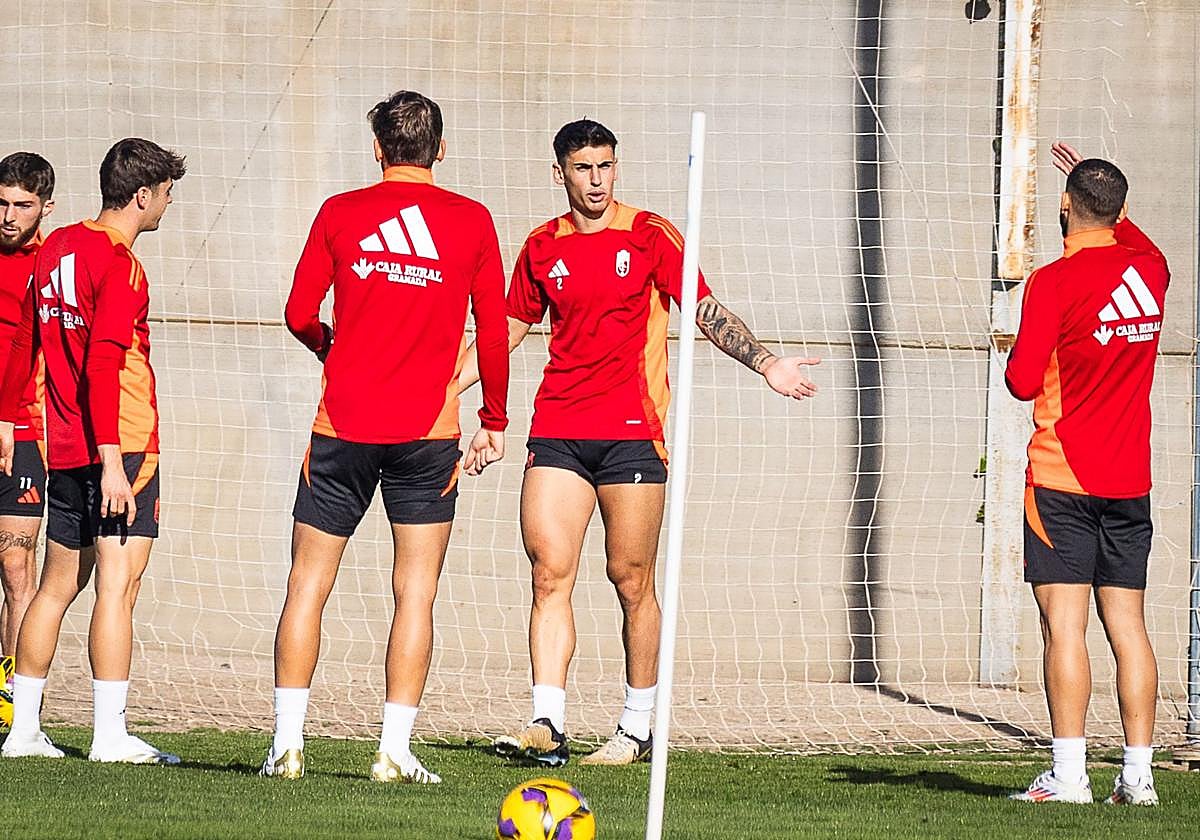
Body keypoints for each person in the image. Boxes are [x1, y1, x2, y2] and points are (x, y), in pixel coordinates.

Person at [459, 119, 819, 767]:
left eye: (605, 166)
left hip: (632, 435)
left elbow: (705, 310)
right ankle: (548, 722)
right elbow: (508, 329)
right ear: (560, 173)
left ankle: (637, 724)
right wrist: (444, 393)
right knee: (548, 574)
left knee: (629, 579)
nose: (595, 180)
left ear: (616, 167)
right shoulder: (542, 246)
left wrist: (768, 365)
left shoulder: (650, 235)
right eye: (582, 169)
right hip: (559, 430)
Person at [263, 90, 509, 783]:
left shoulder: (341, 212)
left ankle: (287, 745)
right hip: (428, 433)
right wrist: (494, 419)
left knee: (307, 582)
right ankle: (392, 751)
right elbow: (492, 332)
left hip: (342, 425)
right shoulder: (471, 220)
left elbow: (297, 311)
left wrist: (327, 347)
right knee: (416, 592)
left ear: (378, 148)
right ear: (440, 147)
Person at [0, 138, 186, 763]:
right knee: (117, 587)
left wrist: (6, 417)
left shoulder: (54, 246)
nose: (166, 205)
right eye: (164, 194)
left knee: (55, 588)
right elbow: (104, 360)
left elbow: (26, 333)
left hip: (63, 444)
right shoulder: (120, 262)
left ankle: (23, 732)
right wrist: (113, 461)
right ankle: (110, 735)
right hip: (120, 446)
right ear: (142, 194)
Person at [1007, 142, 1168, 806]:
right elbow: (1131, 236)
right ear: (1123, 210)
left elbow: (1021, 381)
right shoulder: (1151, 268)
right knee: (1128, 626)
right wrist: (1107, 203)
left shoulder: (1055, 281)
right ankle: (1138, 777)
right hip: (1130, 482)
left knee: (1064, 626)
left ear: (1064, 208)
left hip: (1063, 479)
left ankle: (1070, 775)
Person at [0, 152, 54, 729]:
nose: (9, 216)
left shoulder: (50, 264)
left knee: (17, 568)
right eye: (2, 203)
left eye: (22, 205)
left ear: (45, 207)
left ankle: (11, 699)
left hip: (23, 435)